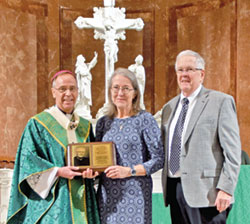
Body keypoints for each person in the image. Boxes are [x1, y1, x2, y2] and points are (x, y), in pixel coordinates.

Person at [7, 70, 100, 224]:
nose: (68, 93)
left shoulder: (85, 126)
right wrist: (58, 171)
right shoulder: (38, 124)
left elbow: (93, 161)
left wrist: (93, 173)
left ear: (78, 92)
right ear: (53, 92)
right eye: (63, 89)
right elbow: (27, 162)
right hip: (54, 201)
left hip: (83, 198)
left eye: (72, 88)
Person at [161, 50, 242, 224]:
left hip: (209, 194)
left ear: (201, 74)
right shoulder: (169, 107)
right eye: (180, 70)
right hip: (175, 190)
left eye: (190, 69)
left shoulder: (220, 102)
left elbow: (233, 152)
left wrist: (226, 189)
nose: (184, 74)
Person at [95, 67, 164, 224]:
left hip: (135, 194)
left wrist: (129, 171)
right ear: (110, 91)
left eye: (126, 88)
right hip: (107, 197)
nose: (120, 93)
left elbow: (159, 158)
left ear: (135, 93)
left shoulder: (145, 120)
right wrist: (92, 172)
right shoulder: (103, 123)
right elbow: (97, 159)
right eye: (116, 88)